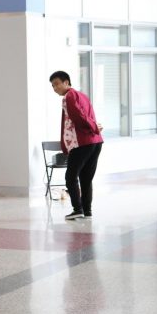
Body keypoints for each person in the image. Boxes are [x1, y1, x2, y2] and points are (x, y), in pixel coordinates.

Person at [49, 71, 103, 220]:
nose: (55, 88)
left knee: (70, 177)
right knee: (86, 178)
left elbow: (79, 116)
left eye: (57, 84)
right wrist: (95, 128)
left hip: (82, 143)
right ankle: (87, 211)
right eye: (53, 86)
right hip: (95, 141)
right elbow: (89, 115)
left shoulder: (69, 96)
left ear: (66, 82)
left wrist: (93, 127)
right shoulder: (82, 95)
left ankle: (77, 209)